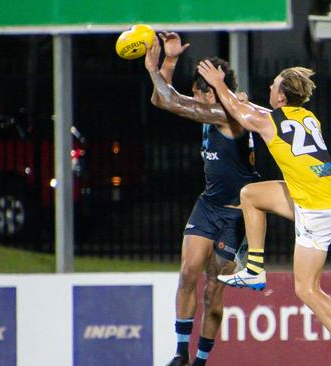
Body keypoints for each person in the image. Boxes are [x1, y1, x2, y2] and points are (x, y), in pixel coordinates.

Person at [197, 61, 331, 366]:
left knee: (305, 288)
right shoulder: (307, 116)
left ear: (281, 97)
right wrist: (243, 100)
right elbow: (258, 114)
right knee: (250, 194)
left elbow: (244, 115)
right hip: (324, 198)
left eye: (274, 86)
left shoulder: (270, 122)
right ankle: (254, 269)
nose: (269, 88)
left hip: (315, 209)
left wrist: (219, 84)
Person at [144, 33, 259, 366]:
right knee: (187, 273)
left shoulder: (230, 116)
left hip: (235, 217)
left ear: (210, 91)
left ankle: (201, 361)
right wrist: (168, 61)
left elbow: (171, 101)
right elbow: (166, 99)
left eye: (197, 93)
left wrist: (154, 70)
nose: (192, 100)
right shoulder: (212, 111)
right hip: (208, 206)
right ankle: (181, 353)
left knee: (213, 292)